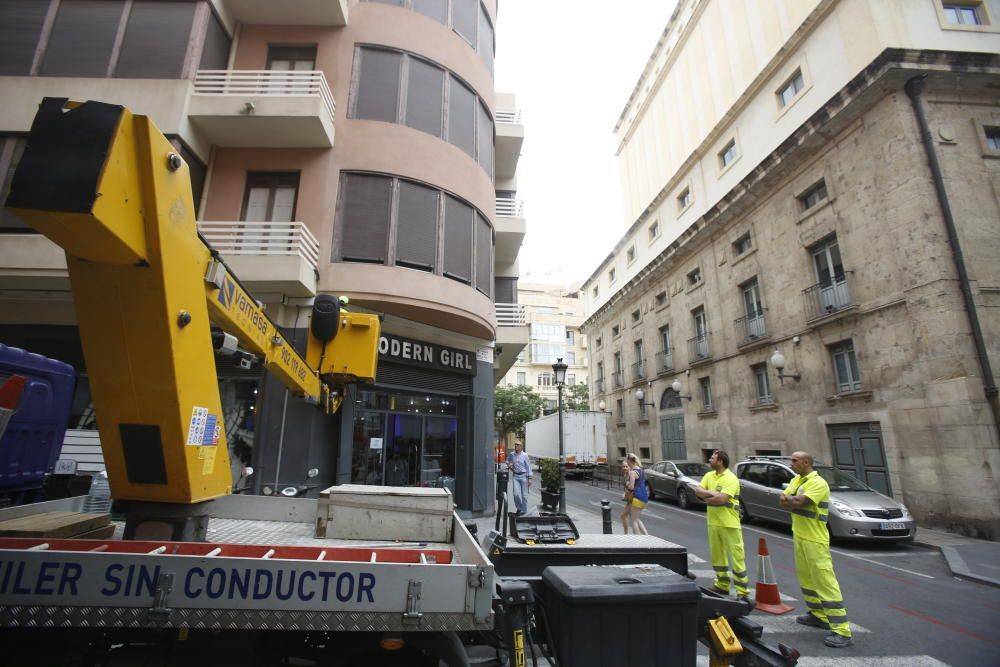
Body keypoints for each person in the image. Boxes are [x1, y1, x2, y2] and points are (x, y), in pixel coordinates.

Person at [780, 451, 852, 649]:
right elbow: (784, 500)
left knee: (824, 582)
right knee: (807, 580)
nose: (791, 463)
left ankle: (842, 630)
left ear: (806, 462)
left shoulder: (817, 483)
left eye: (794, 460)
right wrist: (790, 499)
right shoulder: (797, 480)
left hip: (815, 539)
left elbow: (797, 502)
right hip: (800, 536)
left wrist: (791, 499)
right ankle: (818, 615)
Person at [693, 450, 750, 602]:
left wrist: (706, 496)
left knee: (736, 557)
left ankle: (742, 592)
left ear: (720, 461)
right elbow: (697, 491)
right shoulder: (709, 475)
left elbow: (722, 500)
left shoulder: (730, 478)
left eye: (712, 458)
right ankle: (722, 584)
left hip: (729, 523)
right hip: (713, 522)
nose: (709, 460)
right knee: (717, 556)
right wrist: (712, 495)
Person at [620, 453, 649, 534]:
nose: (627, 464)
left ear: (629, 461)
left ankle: (638, 540)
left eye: (627, 462)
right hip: (644, 498)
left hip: (637, 497)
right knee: (636, 518)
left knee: (634, 521)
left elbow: (631, 487)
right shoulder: (641, 470)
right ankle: (646, 536)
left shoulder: (632, 472)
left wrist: (627, 484)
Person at [508, 441, 532, 515]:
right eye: (515, 444)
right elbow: (507, 461)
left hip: (524, 476)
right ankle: (519, 508)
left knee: (524, 495)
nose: (516, 446)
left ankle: (523, 511)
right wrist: (509, 465)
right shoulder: (512, 454)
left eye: (518, 444)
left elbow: (528, 467)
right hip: (515, 476)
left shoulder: (525, 455)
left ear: (521, 446)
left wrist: (530, 478)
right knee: (516, 494)